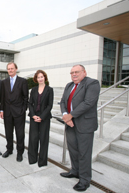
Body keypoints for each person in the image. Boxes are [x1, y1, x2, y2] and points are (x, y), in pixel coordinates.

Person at [60, 64, 100, 192]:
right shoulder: (69, 85)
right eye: (72, 73)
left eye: (77, 72)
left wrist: (71, 116)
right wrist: (66, 115)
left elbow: (88, 103)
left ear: (84, 72)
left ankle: (84, 180)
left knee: (84, 153)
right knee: (73, 150)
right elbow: (62, 102)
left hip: (84, 124)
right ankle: (75, 171)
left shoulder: (92, 83)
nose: (74, 74)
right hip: (70, 124)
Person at [0, 62, 28, 162]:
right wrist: (2, 110)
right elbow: (2, 97)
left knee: (20, 134)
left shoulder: (23, 81)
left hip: (19, 112)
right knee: (8, 133)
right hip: (7, 112)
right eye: (8, 69)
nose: (10, 70)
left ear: (16, 69)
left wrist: (23, 109)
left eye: (12, 68)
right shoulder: (4, 82)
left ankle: (20, 152)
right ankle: (9, 149)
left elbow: (25, 97)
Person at [28, 70, 53, 167]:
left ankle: (42, 161)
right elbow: (30, 103)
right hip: (34, 117)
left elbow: (49, 105)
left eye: (42, 77)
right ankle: (32, 159)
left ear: (45, 78)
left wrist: (42, 117)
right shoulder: (33, 90)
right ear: (36, 79)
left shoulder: (49, 90)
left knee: (43, 139)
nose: (40, 79)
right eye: (38, 77)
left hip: (45, 117)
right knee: (33, 138)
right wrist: (33, 115)